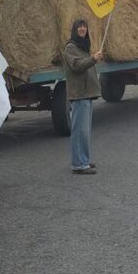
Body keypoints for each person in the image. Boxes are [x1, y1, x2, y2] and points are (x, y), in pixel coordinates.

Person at [62, 19, 103, 175]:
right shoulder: (70, 47)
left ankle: (83, 160)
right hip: (79, 94)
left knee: (85, 130)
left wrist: (92, 57)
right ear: (74, 29)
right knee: (79, 131)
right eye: (79, 26)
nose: (82, 29)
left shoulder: (83, 46)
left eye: (84, 26)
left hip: (86, 93)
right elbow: (77, 66)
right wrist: (93, 58)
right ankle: (79, 164)